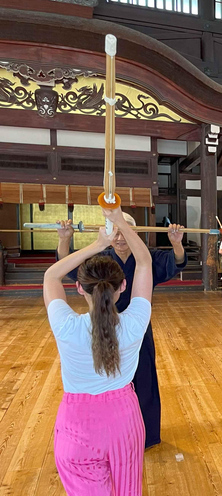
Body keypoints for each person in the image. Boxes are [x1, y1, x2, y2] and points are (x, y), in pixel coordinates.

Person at [56, 213, 187, 449]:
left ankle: (144, 435)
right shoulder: (102, 260)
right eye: (113, 231)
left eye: (124, 231)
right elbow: (72, 268)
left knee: (144, 379)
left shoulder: (146, 257)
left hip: (135, 329)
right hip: (102, 326)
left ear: (133, 232)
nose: (119, 237)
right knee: (106, 384)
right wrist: (65, 240)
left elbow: (173, 262)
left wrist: (176, 243)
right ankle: (111, 434)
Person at [46, 207, 151, 493]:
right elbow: (144, 262)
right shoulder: (133, 324)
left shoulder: (66, 326)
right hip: (124, 424)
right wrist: (120, 222)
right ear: (123, 286)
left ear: (79, 288)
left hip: (75, 428)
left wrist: (98, 244)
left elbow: (51, 277)